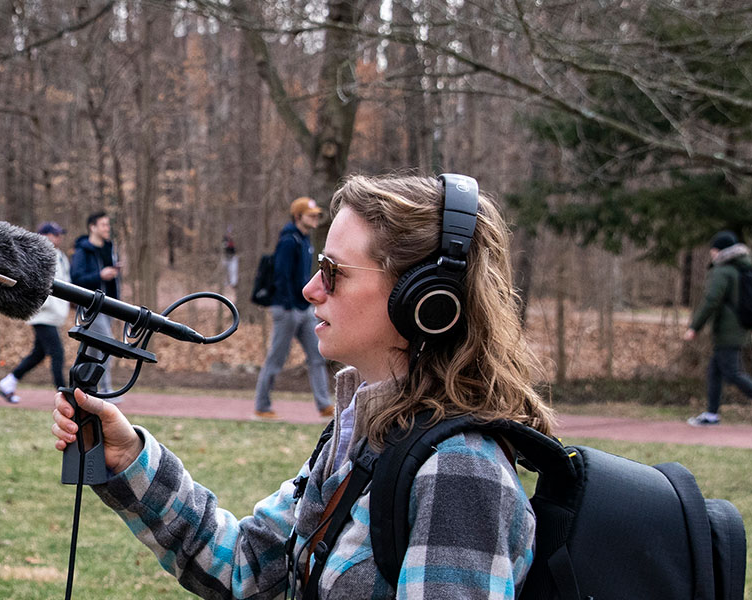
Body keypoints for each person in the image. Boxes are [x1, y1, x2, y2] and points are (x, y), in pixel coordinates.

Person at [53, 174, 553, 599]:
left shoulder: (459, 474)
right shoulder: (363, 430)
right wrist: (129, 459)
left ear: (425, 300)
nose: (311, 289)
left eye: (333, 272)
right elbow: (248, 566)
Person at [683, 230, 752, 429]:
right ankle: (712, 414)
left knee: (732, 372)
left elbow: (712, 300)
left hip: (728, 329)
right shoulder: (741, 268)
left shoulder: (722, 271)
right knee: (715, 370)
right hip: (738, 327)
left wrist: (695, 327)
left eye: (713, 250)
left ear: (719, 250)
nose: (711, 254)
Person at [252, 197, 331, 420]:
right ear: (298, 217)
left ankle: (324, 405)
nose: (315, 218)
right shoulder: (289, 240)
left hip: (303, 309)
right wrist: (289, 306)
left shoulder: (305, 240)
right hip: (287, 309)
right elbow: (282, 275)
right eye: (311, 215)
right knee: (276, 359)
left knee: (317, 355)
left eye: (316, 214)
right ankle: (262, 406)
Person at [0, 222, 71, 404]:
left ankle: (8, 382)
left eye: (60, 234)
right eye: (55, 234)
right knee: (57, 353)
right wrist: (43, 304)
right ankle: (64, 395)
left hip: (55, 314)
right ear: (44, 236)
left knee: (39, 353)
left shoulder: (61, 257)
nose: (59, 238)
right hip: (43, 314)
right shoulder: (36, 256)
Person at [69, 211, 120, 391]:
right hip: (90, 307)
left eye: (108, 224)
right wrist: (99, 275)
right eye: (104, 225)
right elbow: (76, 278)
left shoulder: (109, 248)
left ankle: (82, 388)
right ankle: (106, 391)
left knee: (92, 351)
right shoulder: (83, 250)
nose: (108, 228)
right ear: (93, 227)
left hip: (109, 307)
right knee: (108, 344)